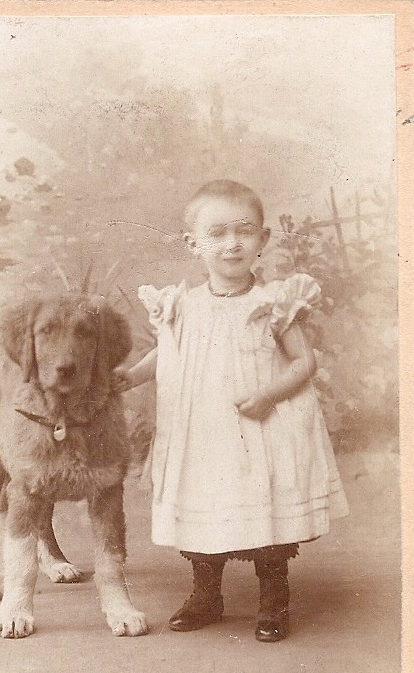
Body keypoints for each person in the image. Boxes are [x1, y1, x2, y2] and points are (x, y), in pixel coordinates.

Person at [113, 179, 348, 642]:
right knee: (205, 505)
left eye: (244, 232)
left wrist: (269, 396)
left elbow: (305, 362)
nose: (231, 243)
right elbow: (166, 354)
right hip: (201, 433)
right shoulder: (181, 305)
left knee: (266, 510)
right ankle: (206, 594)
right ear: (192, 243)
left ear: (263, 239)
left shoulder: (273, 304)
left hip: (258, 429)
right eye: (217, 233)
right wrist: (128, 377)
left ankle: (273, 600)